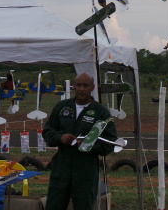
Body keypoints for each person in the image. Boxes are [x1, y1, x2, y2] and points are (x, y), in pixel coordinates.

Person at [42, 72, 117, 210]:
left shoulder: (101, 112)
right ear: (73, 87)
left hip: (85, 171)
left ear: (92, 87)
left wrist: (89, 146)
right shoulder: (62, 107)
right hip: (61, 168)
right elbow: (47, 132)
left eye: (85, 85)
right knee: (53, 206)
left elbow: (111, 142)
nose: (81, 89)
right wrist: (60, 137)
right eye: (78, 85)